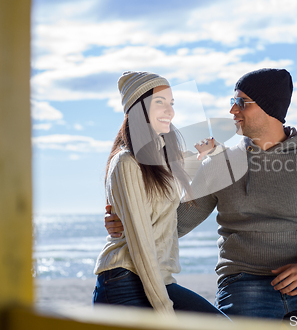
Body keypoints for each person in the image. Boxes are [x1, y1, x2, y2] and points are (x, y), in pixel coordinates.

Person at [106, 68, 297, 326]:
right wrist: (128, 221)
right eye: (232, 102)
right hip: (243, 284)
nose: (232, 110)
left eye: (240, 102)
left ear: (269, 107)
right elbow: (175, 225)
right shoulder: (222, 164)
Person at [93, 71, 226, 318]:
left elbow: (216, 161)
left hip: (158, 281)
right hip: (125, 281)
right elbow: (142, 245)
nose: (170, 111)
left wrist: (213, 150)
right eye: (160, 102)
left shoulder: (166, 159)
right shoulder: (126, 163)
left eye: (171, 103)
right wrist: (165, 310)